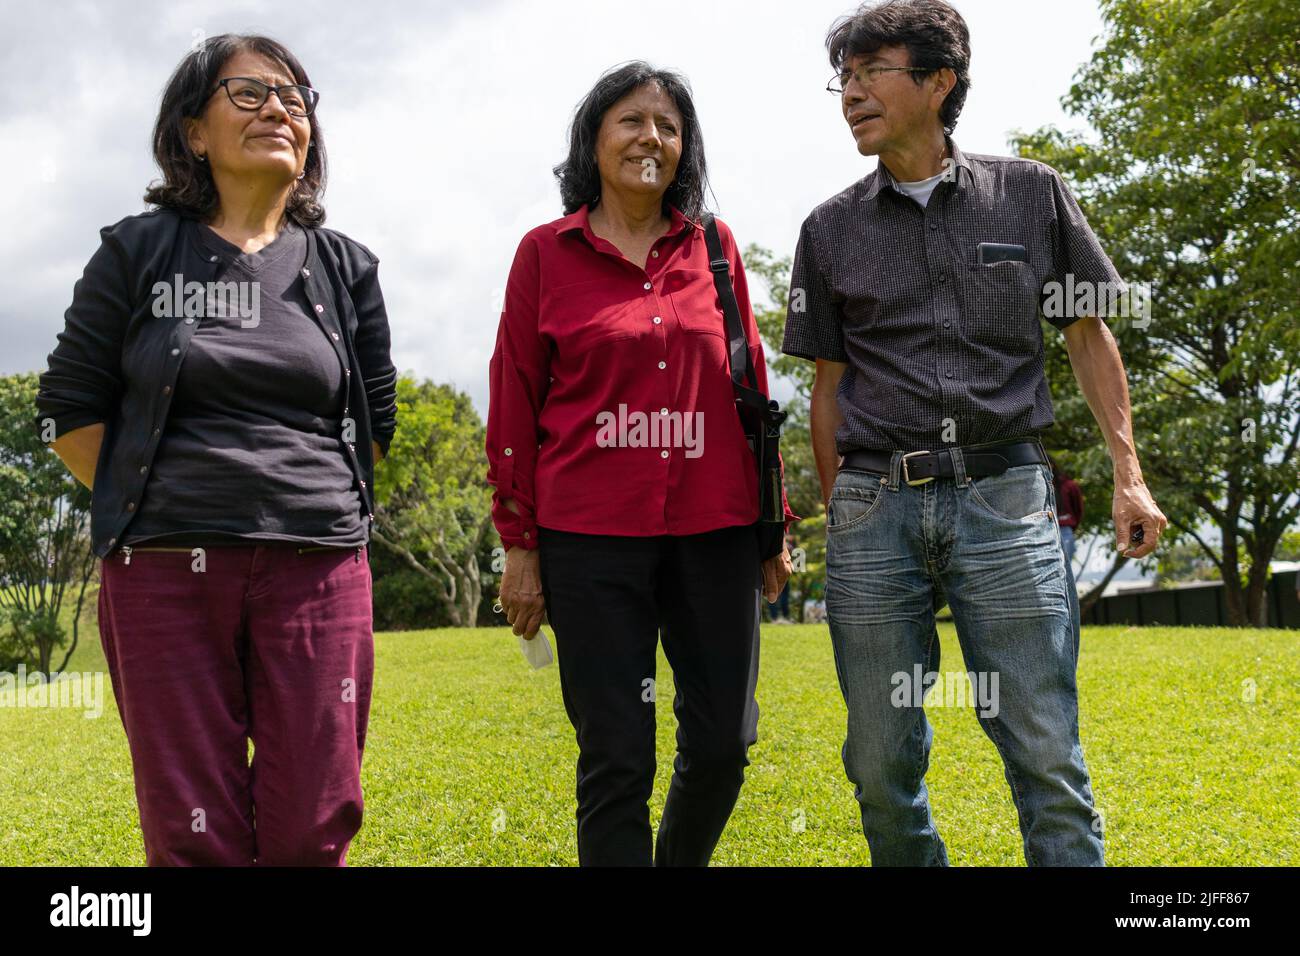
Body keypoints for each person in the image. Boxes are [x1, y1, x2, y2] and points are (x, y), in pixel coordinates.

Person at [782, 0, 1166, 866]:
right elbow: (828, 389)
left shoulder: (1031, 193)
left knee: (1043, 748)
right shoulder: (828, 228)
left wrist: (1128, 473)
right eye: (842, 78)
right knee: (880, 762)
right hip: (875, 505)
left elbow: (1088, 333)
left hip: (1005, 498)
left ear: (938, 80)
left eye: (871, 72)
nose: (850, 94)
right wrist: (840, 512)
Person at [35, 34, 397, 866]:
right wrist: (160, 498)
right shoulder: (137, 251)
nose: (280, 108)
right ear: (193, 130)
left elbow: (374, 420)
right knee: (190, 828)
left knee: (315, 819)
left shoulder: (345, 267)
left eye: (296, 98)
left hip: (318, 566)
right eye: (250, 93)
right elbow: (68, 409)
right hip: (165, 572)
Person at [487, 61, 795, 866]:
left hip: (718, 526)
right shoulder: (544, 255)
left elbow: (752, 382)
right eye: (630, 120)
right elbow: (515, 400)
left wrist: (775, 524)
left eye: (667, 125)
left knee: (726, 740)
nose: (649, 138)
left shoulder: (716, 249)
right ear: (593, 139)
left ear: (684, 148)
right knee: (617, 756)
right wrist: (519, 545)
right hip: (589, 539)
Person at [1050, 455, 1084, 568]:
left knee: (1065, 566)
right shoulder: (1038, 486)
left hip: (1065, 529)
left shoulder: (1068, 485)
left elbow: (1078, 509)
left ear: (1052, 465)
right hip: (1045, 530)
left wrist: (1071, 524)